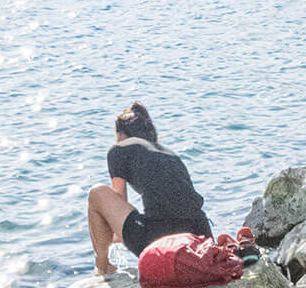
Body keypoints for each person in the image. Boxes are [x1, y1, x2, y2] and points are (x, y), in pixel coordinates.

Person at [87, 102, 214, 276]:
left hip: (164, 241)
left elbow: (117, 204)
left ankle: (103, 267)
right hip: (202, 238)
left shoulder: (118, 150)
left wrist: (105, 235)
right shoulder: (168, 153)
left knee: (97, 193)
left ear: (121, 134)